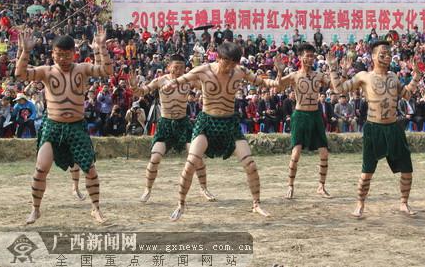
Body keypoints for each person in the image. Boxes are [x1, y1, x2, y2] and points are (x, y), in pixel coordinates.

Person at [163, 42, 277, 220]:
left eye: (234, 63)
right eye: (228, 62)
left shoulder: (240, 71)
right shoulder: (204, 70)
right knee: (191, 163)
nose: (230, 67)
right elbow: (181, 79)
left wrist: (276, 81)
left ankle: (256, 204)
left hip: (230, 123)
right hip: (207, 122)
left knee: (251, 165)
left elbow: (262, 81)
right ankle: (181, 204)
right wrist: (171, 85)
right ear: (219, 58)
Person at [16, 26, 113, 224]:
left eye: (67, 55)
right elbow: (21, 74)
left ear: (73, 54)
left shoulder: (82, 69)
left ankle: (96, 208)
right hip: (53, 126)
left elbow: (106, 70)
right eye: (59, 54)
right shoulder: (46, 72)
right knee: (41, 168)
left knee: (90, 169)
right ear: (53, 54)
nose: (63, 58)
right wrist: (25, 51)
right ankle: (35, 209)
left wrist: (101, 47)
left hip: (76, 126)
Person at [328, 41, 422, 218]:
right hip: (374, 129)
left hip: (394, 128)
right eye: (383, 54)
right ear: (372, 56)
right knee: (367, 172)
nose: (387, 57)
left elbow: (407, 94)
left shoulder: (394, 77)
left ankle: (404, 203)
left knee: (407, 169)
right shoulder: (364, 76)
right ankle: (360, 204)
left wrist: (416, 77)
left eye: (389, 54)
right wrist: (334, 69)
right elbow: (339, 88)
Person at [128, 54, 215, 203]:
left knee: (197, 157)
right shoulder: (160, 80)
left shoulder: (188, 80)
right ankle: (147, 190)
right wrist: (134, 86)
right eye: (175, 67)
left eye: (181, 68)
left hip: (183, 124)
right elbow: (141, 92)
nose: (178, 70)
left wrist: (205, 76)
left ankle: (203, 188)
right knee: (155, 158)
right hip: (165, 124)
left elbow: (208, 89)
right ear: (169, 67)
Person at [273, 43, 332, 199]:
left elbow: (336, 87)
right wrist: (279, 71)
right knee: (296, 152)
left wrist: (334, 69)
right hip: (300, 115)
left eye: (312, 56)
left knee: (324, 152)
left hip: (315, 115)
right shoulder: (294, 75)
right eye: (307, 55)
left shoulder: (318, 75)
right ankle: (290, 186)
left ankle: (321, 186)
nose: (310, 58)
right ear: (300, 57)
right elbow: (278, 88)